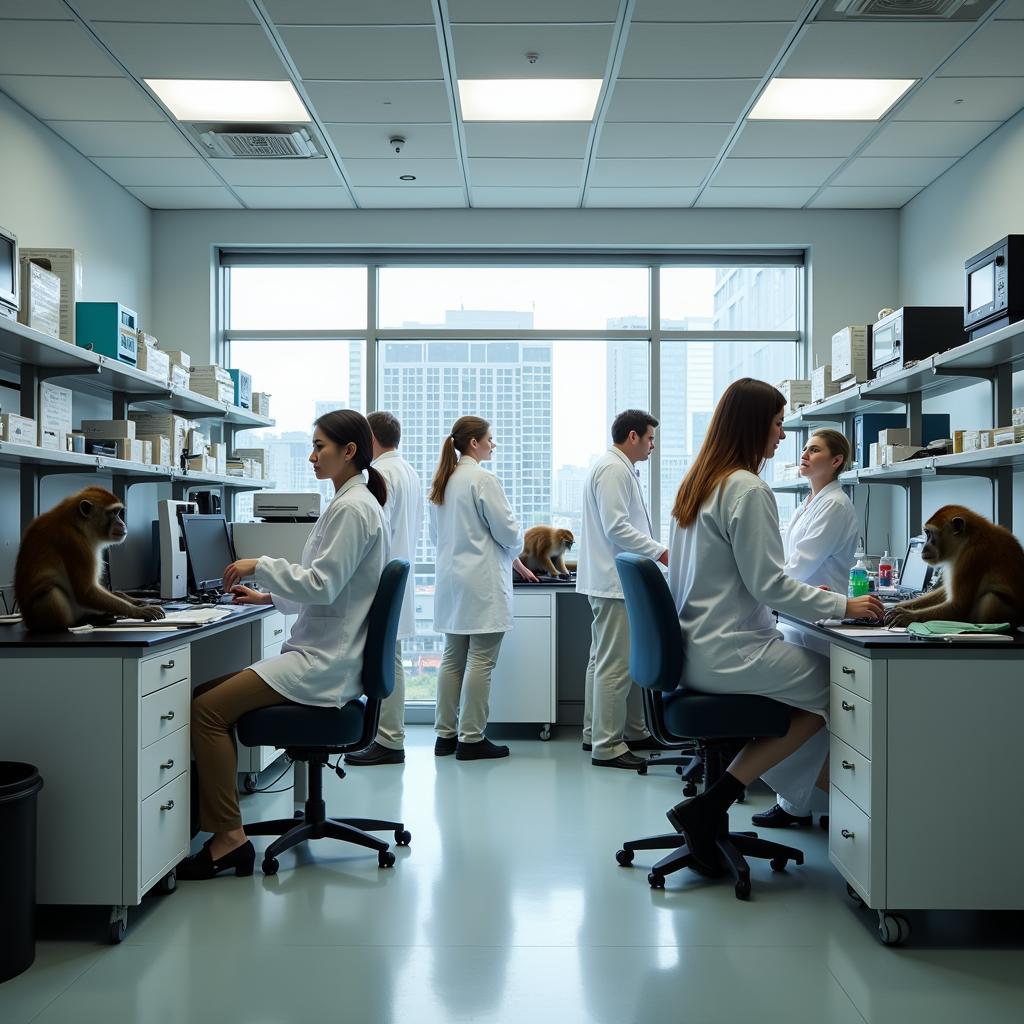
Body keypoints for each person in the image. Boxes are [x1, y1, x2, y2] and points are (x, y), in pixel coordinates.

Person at [663, 379, 882, 870]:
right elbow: (770, 586)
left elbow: (754, 579)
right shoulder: (747, 487)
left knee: (815, 691)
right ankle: (720, 802)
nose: (783, 436)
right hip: (731, 651)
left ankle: (764, 800)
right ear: (755, 423)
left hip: (697, 648)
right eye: (779, 423)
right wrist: (846, 607)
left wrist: (814, 600)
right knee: (839, 688)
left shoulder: (699, 483)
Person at [178, 410, 389, 880]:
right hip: (323, 651)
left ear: (349, 451)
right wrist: (268, 596)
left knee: (207, 711)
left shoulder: (353, 508)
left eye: (321, 447)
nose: (313, 456)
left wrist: (260, 564)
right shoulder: (346, 502)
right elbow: (327, 585)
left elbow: (325, 584)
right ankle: (210, 821)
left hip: (324, 662)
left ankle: (229, 839)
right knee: (201, 698)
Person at [755, 428, 860, 829]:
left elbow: (797, 565)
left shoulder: (835, 505)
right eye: (804, 448)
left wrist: (762, 583)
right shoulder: (810, 501)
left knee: (814, 713)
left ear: (835, 461)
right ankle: (793, 805)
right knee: (805, 713)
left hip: (822, 620)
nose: (805, 454)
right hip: (801, 616)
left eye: (814, 450)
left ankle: (814, 805)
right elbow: (785, 559)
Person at [429, 416, 537, 761]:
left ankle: (445, 736)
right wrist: (517, 550)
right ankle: (472, 738)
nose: (494, 444)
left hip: (451, 580)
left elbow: (437, 537)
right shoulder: (482, 479)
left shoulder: (444, 481)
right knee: (480, 660)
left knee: (452, 658)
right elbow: (508, 533)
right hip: (481, 582)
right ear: (473, 442)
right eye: (490, 438)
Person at [577, 409, 667, 771]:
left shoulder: (613, 467)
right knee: (615, 665)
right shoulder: (614, 469)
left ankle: (607, 731)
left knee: (603, 661)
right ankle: (608, 745)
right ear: (633, 436)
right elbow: (617, 527)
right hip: (614, 583)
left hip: (608, 580)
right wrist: (661, 552)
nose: (652, 446)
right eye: (649, 439)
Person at [346, 411, 423, 767]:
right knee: (390, 660)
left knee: (385, 661)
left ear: (371, 439)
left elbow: (371, 533)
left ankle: (388, 740)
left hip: (380, 581)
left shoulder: (381, 475)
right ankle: (386, 736)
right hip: (396, 581)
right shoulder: (407, 471)